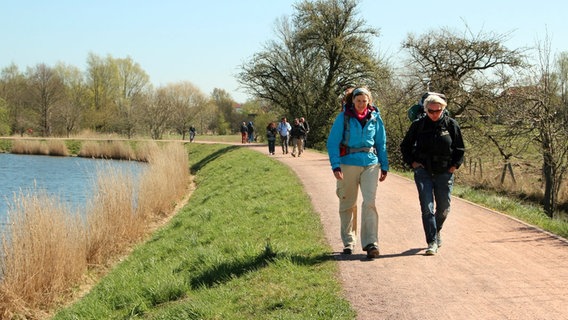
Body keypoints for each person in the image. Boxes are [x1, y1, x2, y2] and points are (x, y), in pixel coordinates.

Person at [326, 87, 389, 259]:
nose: (361, 104)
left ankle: (371, 243)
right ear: (352, 101)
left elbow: (381, 143)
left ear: (369, 101)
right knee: (348, 203)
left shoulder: (376, 118)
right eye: (358, 100)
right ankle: (348, 241)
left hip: (370, 163)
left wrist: (384, 165)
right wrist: (335, 166)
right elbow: (332, 143)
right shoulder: (343, 118)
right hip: (347, 163)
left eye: (364, 100)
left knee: (369, 202)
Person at [400, 93, 465, 255]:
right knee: (427, 208)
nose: (435, 114)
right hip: (424, 172)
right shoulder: (418, 125)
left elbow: (460, 148)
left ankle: (436, 230)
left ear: (443, 109)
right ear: (425, 109)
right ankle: (432, 242)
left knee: (444, 208)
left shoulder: (451, 125)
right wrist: (413, 163)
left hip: (445, 172)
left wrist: (454, 166)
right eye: (431, 111)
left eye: (438, 110)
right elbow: (405, 146)